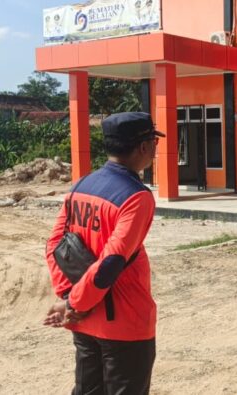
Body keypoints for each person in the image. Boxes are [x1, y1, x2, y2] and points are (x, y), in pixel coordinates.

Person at [43, 112, 162, 394]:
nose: (156, 149)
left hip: (84, 321)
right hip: (124, 322)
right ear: (144, 146)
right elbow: (111, 262)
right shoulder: (136, 197)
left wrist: (68, 298)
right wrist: (74, 304)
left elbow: (54, 246)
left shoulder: (81, 186)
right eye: (154, 142)